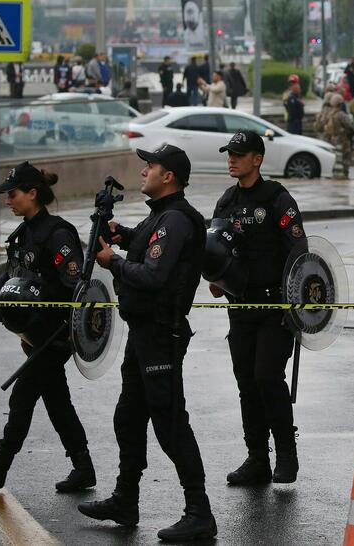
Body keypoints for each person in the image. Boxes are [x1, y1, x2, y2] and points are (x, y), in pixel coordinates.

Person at [78, 145, 217, 542]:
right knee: (128, 416)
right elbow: (142, 241)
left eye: (151, 165)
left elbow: (154, 275)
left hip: (162, 334)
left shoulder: (175, 220)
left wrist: (113, 262)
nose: (144, 171)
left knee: (171, 423)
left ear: (168, 175)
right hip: (143, 333)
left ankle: (199, 512)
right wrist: (118, 235)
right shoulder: (160, 216)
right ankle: (126, 499)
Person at [0, 162, 96, 494]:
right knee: (56, 399)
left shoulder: (58, 233)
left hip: (57, 335)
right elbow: (14, 276)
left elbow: (74, 286)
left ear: (32, 194)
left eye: (13, 194)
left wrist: (41, 301)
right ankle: (83, 467)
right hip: (33, 336)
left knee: (22, 396)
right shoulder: (22, 234)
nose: (8, 201)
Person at [210, 130, 307, 486]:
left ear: (257, 159)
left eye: (239, 154)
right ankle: (257, 458)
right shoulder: (225, 202)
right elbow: (216, 249)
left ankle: (286, 454)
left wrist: (296, 306)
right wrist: (216, 278)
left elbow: (300, 251)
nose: (231, 159)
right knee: (246, 382)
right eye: (229, 154)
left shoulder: (278, 199)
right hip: (239, 306)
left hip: (276, 306)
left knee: (267, 377)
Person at [327, 92, 354, 179]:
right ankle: (345, 175)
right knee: (346, 158)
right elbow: (350, 126)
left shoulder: (330, 114)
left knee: (335, 158)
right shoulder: (341, 114)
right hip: (343, 139)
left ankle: (334, 175)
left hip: (333, 139)